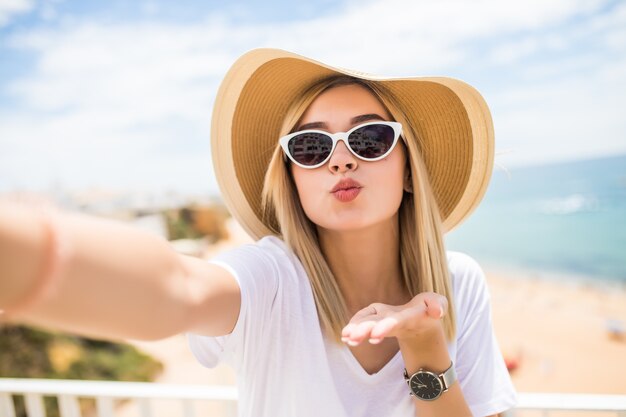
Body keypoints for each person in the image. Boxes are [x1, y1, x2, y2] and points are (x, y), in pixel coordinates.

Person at [0, 48, 517, 416]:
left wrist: (425, 346)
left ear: (408, 171)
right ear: (291, 179)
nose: (339, 159)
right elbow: (178, 288)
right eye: (311, 147)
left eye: (370, 138)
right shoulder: (271, 279)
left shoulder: (456, 282)